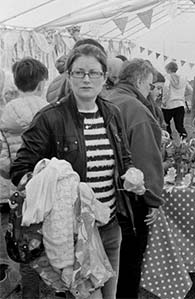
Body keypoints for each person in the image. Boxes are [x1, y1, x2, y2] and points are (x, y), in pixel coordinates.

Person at [10, 44, 143, 299]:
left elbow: (124, 159)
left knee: (109, 295)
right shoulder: (50, 117)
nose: (86, 79)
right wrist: (51, 180)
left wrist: (132, 175)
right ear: (68, 75)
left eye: (94, 73)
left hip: (110, 226)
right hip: (74, 234)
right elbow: (21, 169)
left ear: (104, 77)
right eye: (79, 72)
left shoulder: (112, 113)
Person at [105, 59, 164, 299]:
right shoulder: (136, 109)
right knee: (129, 264)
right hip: (129, 200)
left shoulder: (105, 99)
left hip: (102, 196)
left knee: (104, 263)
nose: (151, 91)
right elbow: (145, 158)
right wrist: (152, 199)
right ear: (139, 80)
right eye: (150, 85)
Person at [0, 58, 48, 299]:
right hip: (47, 186)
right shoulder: (50, 109)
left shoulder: (6, 113)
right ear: (42, 83)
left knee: (25, 242)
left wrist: (13, 174)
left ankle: (30, 293)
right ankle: (61, 287)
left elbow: (3, 159)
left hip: (19, 190)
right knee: (56, 237)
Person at [162, 61, 192, 138]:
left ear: (168, 70)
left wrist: (164, 100)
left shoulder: (167, 77)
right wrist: (182, 96)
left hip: (168, 105)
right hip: (180, 104)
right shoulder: (183, 78)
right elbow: (190, 90)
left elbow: (166, 88)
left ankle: (168, 142)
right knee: (180, 126)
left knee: (166, 125)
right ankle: (184, 142)